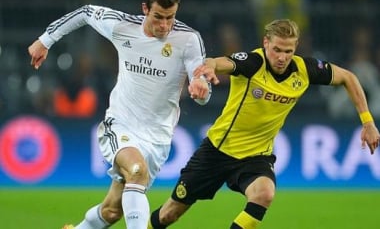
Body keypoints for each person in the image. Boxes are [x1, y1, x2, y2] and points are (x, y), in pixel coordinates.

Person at [148, 19, 380, 229]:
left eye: (288, 51)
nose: (281, 57)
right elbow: (220, 62)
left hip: (255, 157)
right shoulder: (253, 63)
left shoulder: (305, 70)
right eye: (276, 49)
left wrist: (367, 122)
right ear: (265, 43)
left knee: (264, 193)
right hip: (217, 152)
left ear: (295, 48)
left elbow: (349, 78)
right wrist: (208, 67)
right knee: (170, 214)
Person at [28, 0, 211, 229]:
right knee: (136, 170)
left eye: (170, 17)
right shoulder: (123, 25)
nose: (164, 25)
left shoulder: (188, 39)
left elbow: (200, 82)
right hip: (121, 125)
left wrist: (201, 90)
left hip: (158, 138)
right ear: (145, 8)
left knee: (113, 210)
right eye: (158, 17)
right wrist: (45, 40)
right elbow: (85, 12)